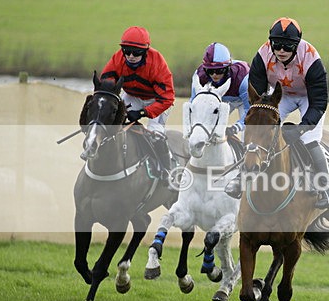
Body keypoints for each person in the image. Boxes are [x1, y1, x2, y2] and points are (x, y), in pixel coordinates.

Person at [225, 17, 329, 210]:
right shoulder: (263, 55)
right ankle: (241, 176)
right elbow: (258, 96)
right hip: (280, 96)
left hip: (308, 97)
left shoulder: (311, 58)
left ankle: (326, 189)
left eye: (287, 47)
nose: (281, 51)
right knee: (257, 130)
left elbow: (319, 103)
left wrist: (302, 128)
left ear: (297, 45)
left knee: (310, 139)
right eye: (277, 46)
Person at [100, 26, 176, 184]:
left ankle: (167, 169)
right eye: (127, 51)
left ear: (146, 51)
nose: (131, 56)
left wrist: (143, 113)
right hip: (132, 96)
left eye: (136, 52)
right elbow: (106, 83)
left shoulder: (157, 63)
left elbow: (167, 98)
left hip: (157, 100)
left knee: (155, 133)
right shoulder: (118, 59)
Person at [190, 42, 250, 138]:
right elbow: (193, 104)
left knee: (247, 133)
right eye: (210, 71)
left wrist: (236, 127)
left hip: (244, 101)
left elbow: (250, 110)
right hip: (221, 99)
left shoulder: (243, 79)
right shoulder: (199, 76)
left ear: (227, 68)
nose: (214, 75)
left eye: (219, 71)